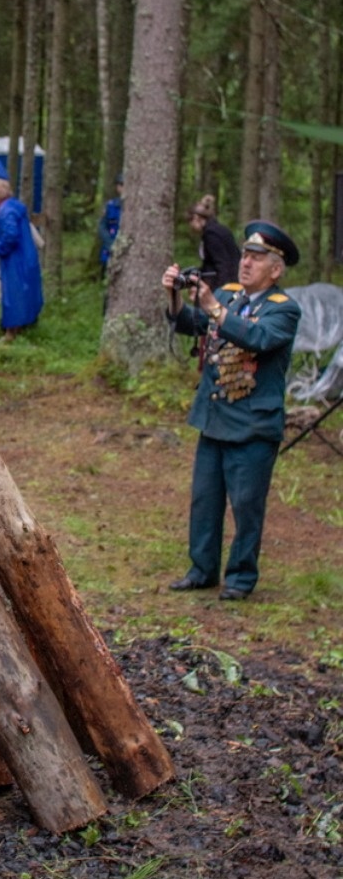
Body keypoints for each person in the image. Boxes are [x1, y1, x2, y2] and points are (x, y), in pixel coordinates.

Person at [162, 220, 302, 601]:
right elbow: (193, 324)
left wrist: (213, 307)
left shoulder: (284, 309)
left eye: (257, 259)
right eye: (245, 255)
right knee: (204, 501)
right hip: (215, 418)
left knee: (246, 505)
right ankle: (201, 569)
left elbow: (256, 337)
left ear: (275, 269)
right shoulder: (229, 294)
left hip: (253, 424)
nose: (246, 263)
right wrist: (176, 297)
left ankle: (240, 578)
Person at [0, 178, 43, 337]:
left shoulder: (7, 210)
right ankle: (24, 326)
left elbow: (11, 234)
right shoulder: (16, 207)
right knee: (26, 293)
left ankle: (11, 331)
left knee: (13, 294)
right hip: (26, 256)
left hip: (15, 259)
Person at [186, 195, 241, 288]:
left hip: (224, 285)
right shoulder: (220, 229)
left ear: (196, 218)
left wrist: (221, 291)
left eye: (190, 222)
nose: (191, 227)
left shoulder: (211, 235)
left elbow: (222, 264)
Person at [98, 175, 123, 278]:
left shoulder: (136, 206)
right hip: (110, 249)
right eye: (120, 184)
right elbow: (102, 227)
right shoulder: (110, 205)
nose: (122, 187)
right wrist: (110, 244)